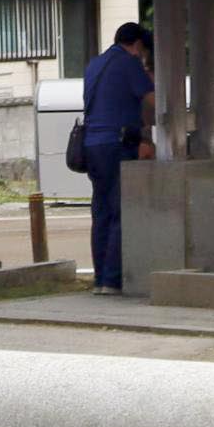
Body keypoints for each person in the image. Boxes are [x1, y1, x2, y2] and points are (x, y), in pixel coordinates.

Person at [75, 20, 153, 291]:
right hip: (116, 144)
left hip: (92, 146)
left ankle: (99, 279)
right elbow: (153, 99)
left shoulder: (95, 63)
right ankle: (112, 279)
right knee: (120, 211)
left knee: (101, 212)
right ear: (138, 45)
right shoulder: (129, 64)